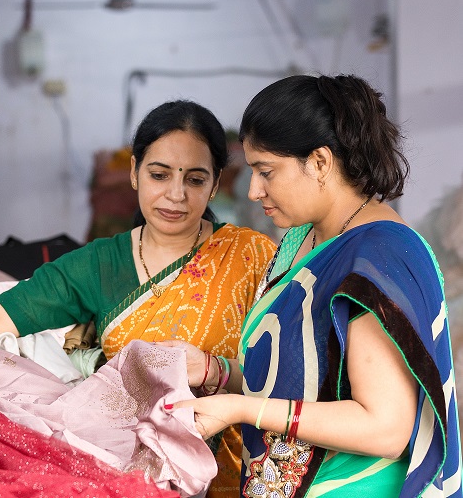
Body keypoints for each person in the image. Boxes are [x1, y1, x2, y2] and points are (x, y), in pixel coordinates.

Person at [0, 100, 276, 497]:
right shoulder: (99, 264)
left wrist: (216, 370)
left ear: (214, 184)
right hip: (133, 465)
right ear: (134, 173)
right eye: (159, 175)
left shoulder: (251, 256)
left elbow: (290, 375)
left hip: (241, 466)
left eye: (194, 180)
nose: (175, 195)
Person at [164, 75, 462, 497]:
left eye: (266, 171)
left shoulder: (379, 255)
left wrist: (239, 409)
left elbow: (386, 427)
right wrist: (215, 371)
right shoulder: (300, 242)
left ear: (320, 162)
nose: (253, 190)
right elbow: (298, 380)